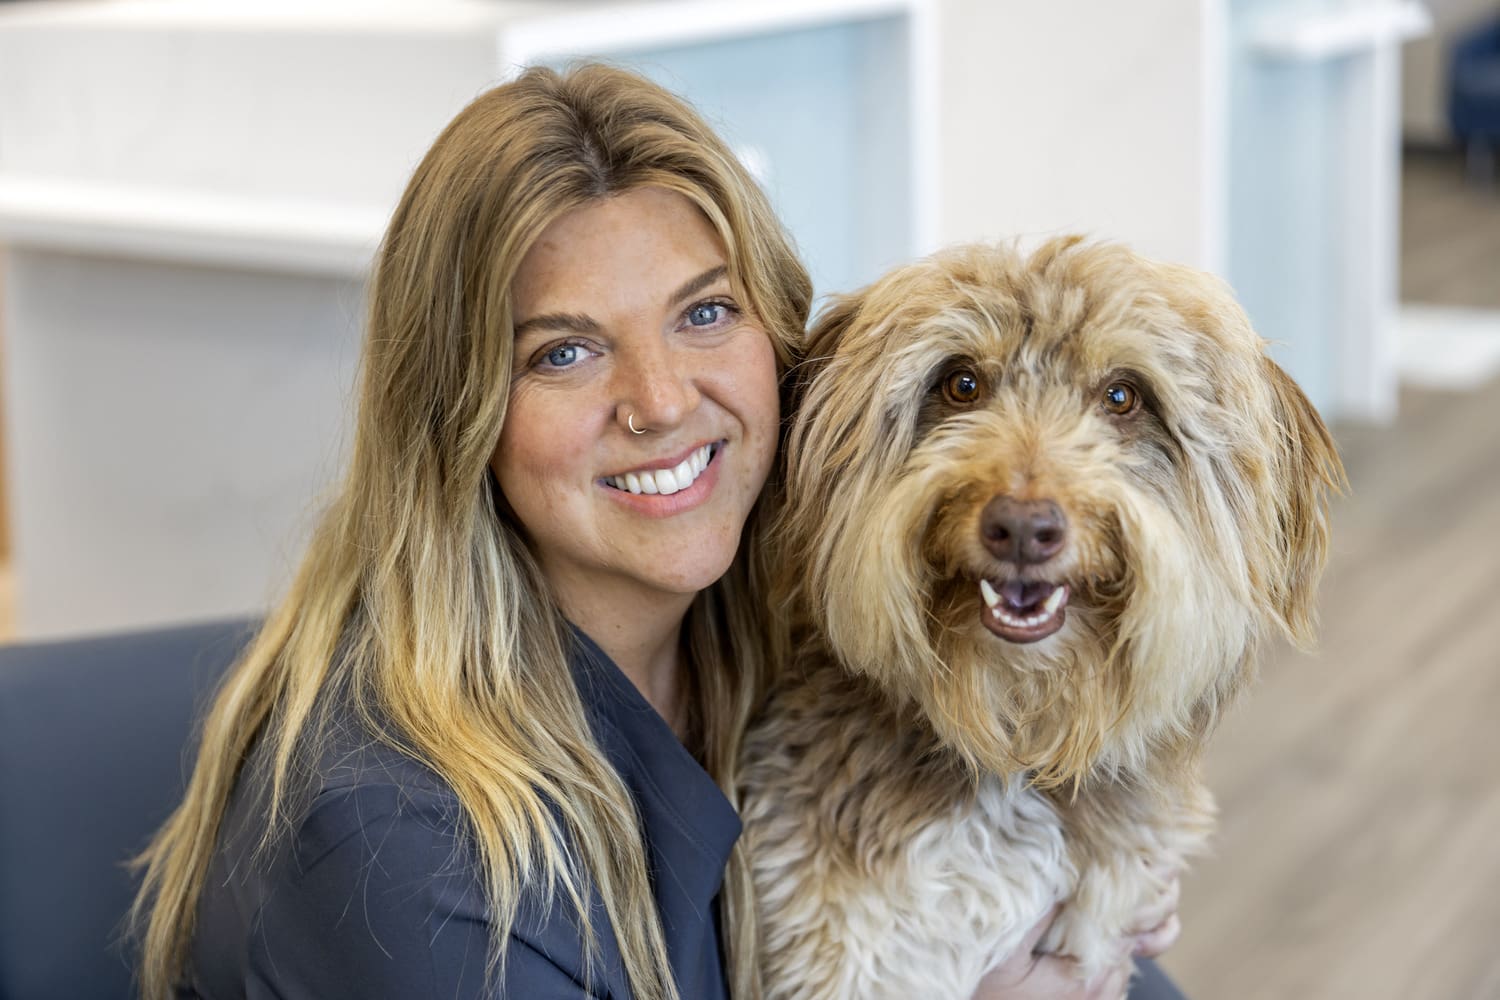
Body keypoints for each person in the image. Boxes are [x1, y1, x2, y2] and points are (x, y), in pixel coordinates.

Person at [130, 63, 1185, 1000]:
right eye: (564, 353)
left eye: (706, 313)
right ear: (453, 417)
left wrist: (1087, 892)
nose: (662, 400)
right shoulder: (403, 860)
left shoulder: (779, 627)